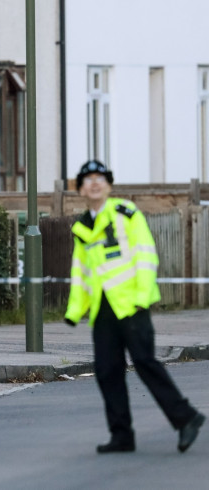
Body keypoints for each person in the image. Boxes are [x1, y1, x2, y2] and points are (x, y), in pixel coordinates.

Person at [65, 160, 205, 454]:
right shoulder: (82, 227)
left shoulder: (126, 214)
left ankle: (186, 417)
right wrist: (75, 310)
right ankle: (121, 435)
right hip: (103, 309)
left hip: (132, 304)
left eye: (100, 177)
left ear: (109, 185)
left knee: (145, 363)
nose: (94, 183)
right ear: (80, 189)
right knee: (107, 371)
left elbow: (145, 255)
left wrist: (142, 297)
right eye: (88, 179)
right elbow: (81, 272)